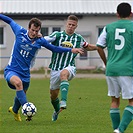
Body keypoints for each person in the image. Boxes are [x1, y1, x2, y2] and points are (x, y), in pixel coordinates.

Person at [0, 14, 84, 122]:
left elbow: (54, 48)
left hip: (25, 73)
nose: (34, 33)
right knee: (18, 83)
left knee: (21, 92)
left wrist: (70, 50)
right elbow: (9, 20)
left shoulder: (40, 40)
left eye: (37, 31)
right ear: (29, 28)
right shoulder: (19, 31)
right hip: (11, 70)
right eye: (33, 30)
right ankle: (28, 110)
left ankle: (15, 110)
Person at [44, 14, 97, 121]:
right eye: (69, 24)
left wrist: (100, 46)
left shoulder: (78, 39)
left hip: (69, 67)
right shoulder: (57, 35)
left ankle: (64, 101)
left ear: (76, 26)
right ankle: (57, 110)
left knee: (64, 74)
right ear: (66, 24)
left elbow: (88, 47)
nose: (71, 26)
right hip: (55, 68)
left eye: (73, 25)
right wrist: (38, 37)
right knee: (53, 96)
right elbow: (44, 41)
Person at [96, 3, 133, 133]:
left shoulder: (108, 28)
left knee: (114, 100)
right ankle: (120, 130)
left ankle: (116, 129)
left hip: (111, 69)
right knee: (132, 101)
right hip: (128, 69)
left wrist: (106, 62)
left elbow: (99, 46)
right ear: (131, 14)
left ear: (117, 14)